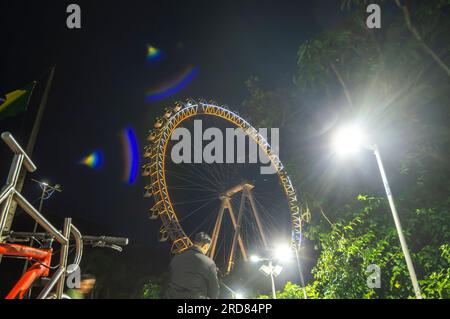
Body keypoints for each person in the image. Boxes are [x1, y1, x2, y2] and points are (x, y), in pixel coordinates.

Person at [165, 232, 220, 299]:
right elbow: (214, 291)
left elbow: (166, 282)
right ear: (206, 246)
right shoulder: (209, 263)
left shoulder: (176, 258)